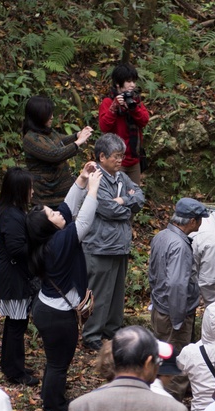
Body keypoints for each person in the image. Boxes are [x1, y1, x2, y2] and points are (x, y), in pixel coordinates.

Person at [26, 163, 102, 411]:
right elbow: (83, 221)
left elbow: (68, 210)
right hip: (58, 315)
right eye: (52, 213)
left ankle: (52, 399)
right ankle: (55, 409)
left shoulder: (49, 239)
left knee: (54, 361)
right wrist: (93, 190)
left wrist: (81, 180)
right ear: (49, 225)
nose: (58, 213)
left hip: (46, 308)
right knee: (59, 364)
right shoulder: (59, 242)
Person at [80, 133, 146, 352]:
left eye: (122, 156)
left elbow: (140, 197)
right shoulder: (95, 177)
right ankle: (91, 334)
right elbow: (107, 209)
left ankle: (112, 330)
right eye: (116, 157)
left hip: (119, 245)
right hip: (99, 245)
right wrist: (127, 205)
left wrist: (124, 200)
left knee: (116, 293)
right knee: (97, 293)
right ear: (102, 156)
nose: (120, 161)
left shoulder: (121, 176)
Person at [148, 197, 211, 400]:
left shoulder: (162, 236)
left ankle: (156, 398)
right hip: (173, 313)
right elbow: (176, 284)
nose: (201, 223)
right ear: (192, 221)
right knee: (176, 360)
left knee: (161, 354)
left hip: (160, 307)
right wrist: (177, 318)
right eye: (200, 219)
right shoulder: (180, 246)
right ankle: (169, 404)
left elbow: (152, 272)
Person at [0, 167, 39, 386]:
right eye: (29, 187)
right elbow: (16, 249)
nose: (32, 191)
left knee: (15, 322)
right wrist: (39, 242)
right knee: (17, 324)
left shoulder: (13, 211)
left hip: (14, 275)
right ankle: (15, 370)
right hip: (13, 277)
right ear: (19, 190)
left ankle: (11, 364)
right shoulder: (11, 215)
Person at [22, 95, 93, 208]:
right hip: (47, 198)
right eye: (48, 114)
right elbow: (54, 154)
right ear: (38, 115)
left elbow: (61, 140)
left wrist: (77, 135)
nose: (52, 117)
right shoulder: (31, 138)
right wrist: (78, 142)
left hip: (63, 195)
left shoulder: (47, 132)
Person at [98, 63, 150, 185]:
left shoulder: (136, 101)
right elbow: (104, 127)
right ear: (118, 84)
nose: (133, 85)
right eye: (128, 81)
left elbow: (144, 121)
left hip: (133, 159)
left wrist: (133, 108)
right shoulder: (108, 102)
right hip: (114, 160)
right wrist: (114, 107)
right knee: (116, 197)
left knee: (134, 197)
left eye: (134, 81)